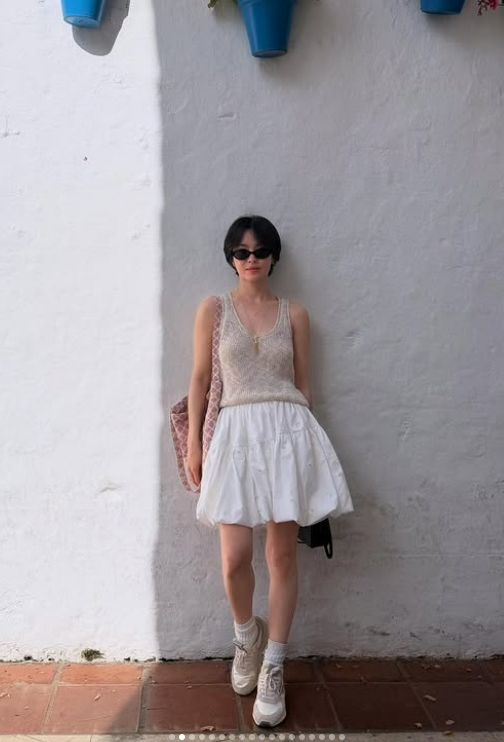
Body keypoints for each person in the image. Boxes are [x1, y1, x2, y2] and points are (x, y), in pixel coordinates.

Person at [186, 215, 353, 728]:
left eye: (260, 250)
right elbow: (200, 378)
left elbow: (305, 386)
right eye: (241, 251)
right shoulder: (214, 310)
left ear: (274, 256)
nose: (251, 258)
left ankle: (274, 665)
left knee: (281, 556)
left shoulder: (294, 313)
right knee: (235, 558)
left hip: (286, 433)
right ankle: (247, 637)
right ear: (231, 258)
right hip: (235, 434)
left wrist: (303, 449)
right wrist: (194, 445)